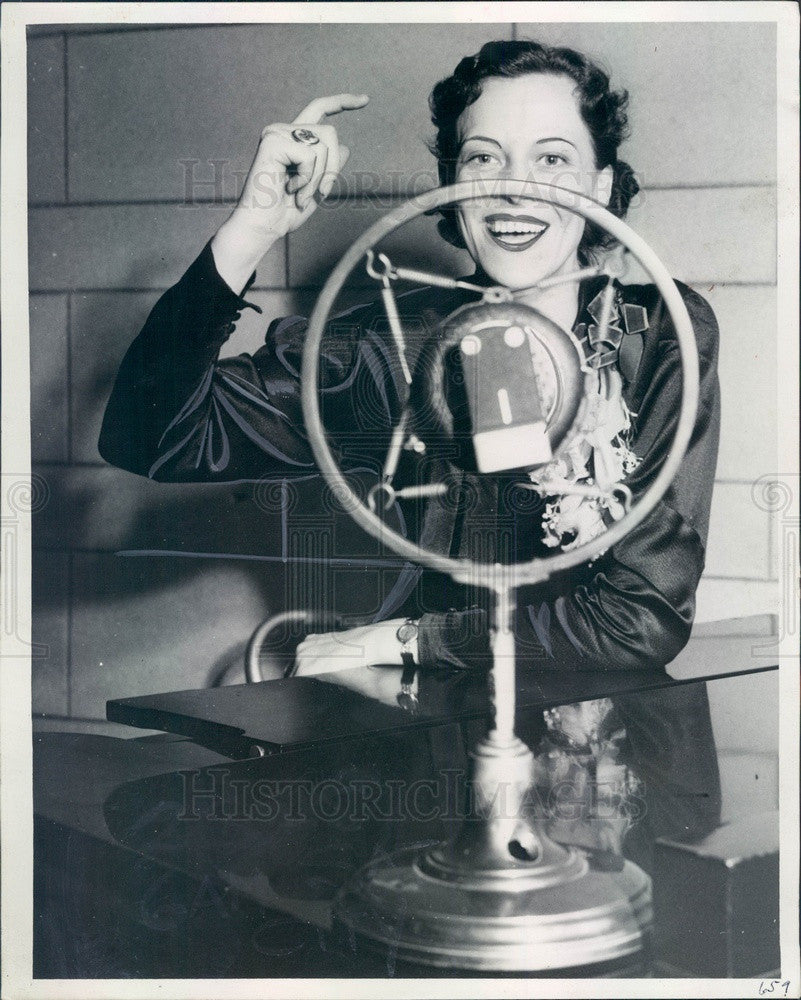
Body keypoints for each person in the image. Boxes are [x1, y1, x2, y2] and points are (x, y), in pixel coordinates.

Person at [99, 40, 722, 850]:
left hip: (612, 778)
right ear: (455, 189)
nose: (511, 187)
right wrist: (255, 223)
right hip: (429, 761)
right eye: (482, 157)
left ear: (604, 185)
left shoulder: (659, 332)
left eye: (553, 158)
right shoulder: (393, 346)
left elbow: (638, 617)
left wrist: (405, 640)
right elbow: (152, 435)